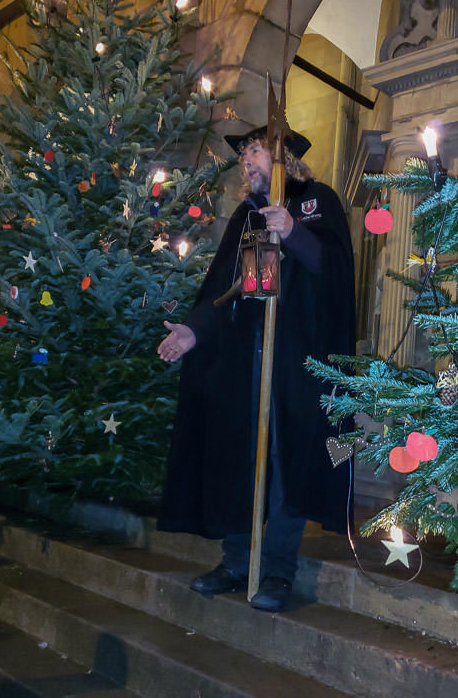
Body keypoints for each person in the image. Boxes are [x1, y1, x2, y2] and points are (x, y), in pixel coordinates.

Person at [156, 125, 355, 612]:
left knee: (287, 464)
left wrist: (293, 231)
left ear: (284, 156)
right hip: (248, 360)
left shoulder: (317, 200)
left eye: (258, 150)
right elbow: (227, 290)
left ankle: (278, 571)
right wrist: (193, 332)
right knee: (243, 458)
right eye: (244, 154)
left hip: (300, 362)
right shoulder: (247, 217)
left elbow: (335, 271)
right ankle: (236, 561)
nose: (248, 160)